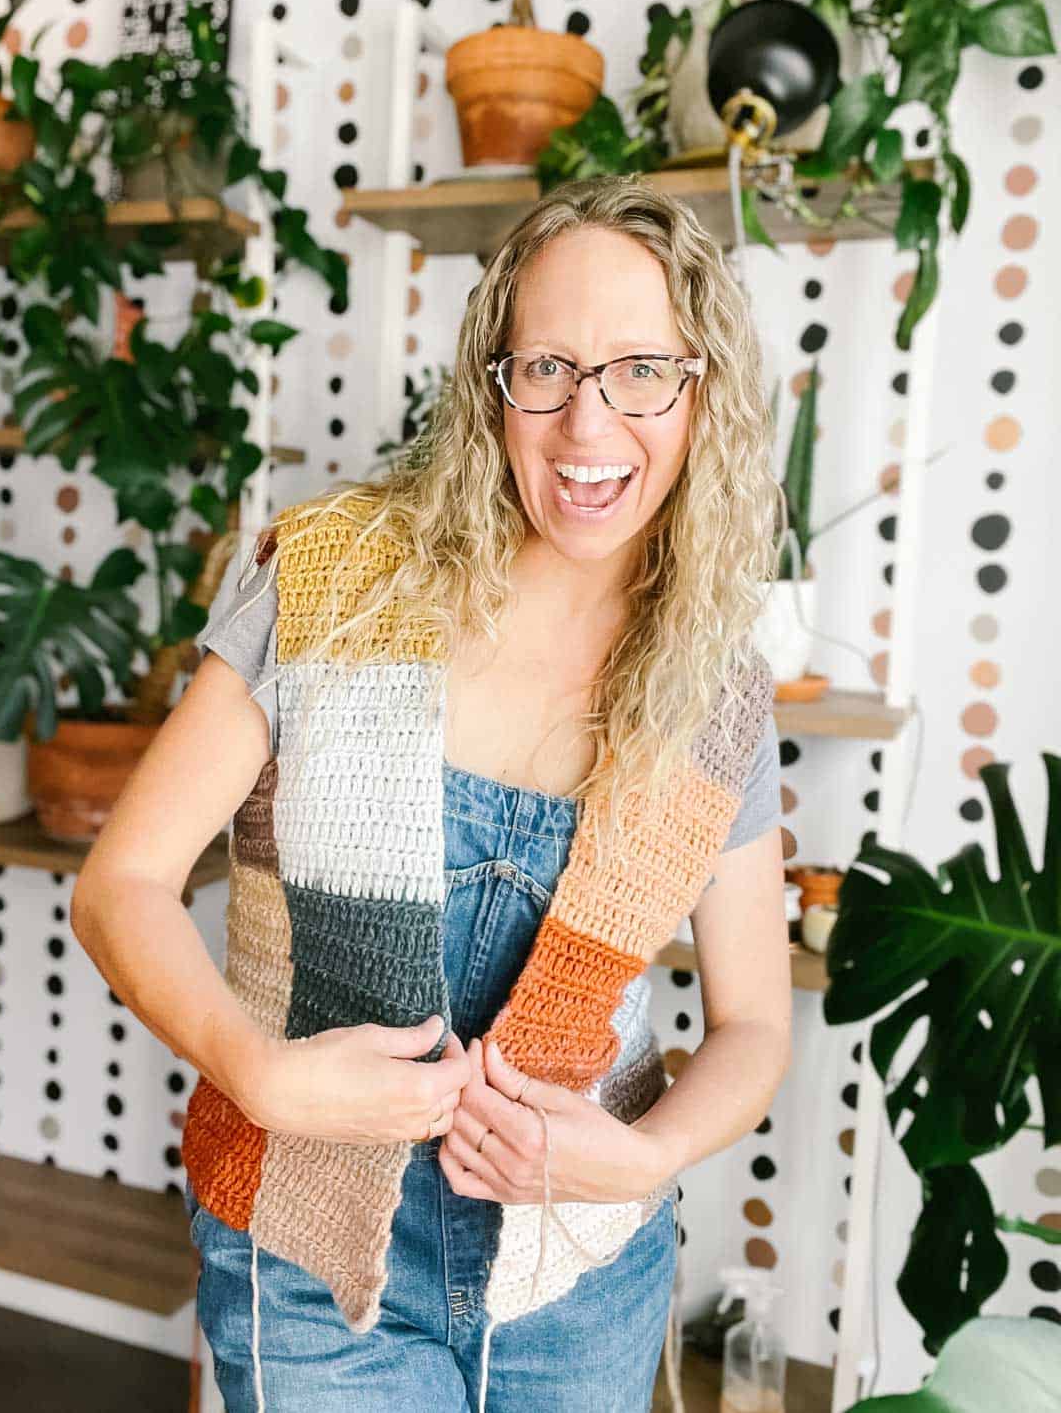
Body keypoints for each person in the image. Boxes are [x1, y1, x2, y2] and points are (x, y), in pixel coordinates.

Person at [71, 173, 791, 1412]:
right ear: (492, 384)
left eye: (640, 372)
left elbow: (755, 1028)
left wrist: (643, 1154)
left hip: (577, 1267)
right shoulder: (332, 577)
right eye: (548, 368)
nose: (588, 423)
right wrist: (265, 1072)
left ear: (699, 394)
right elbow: (120, 886)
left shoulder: (714, 688)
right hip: (304, 1246)